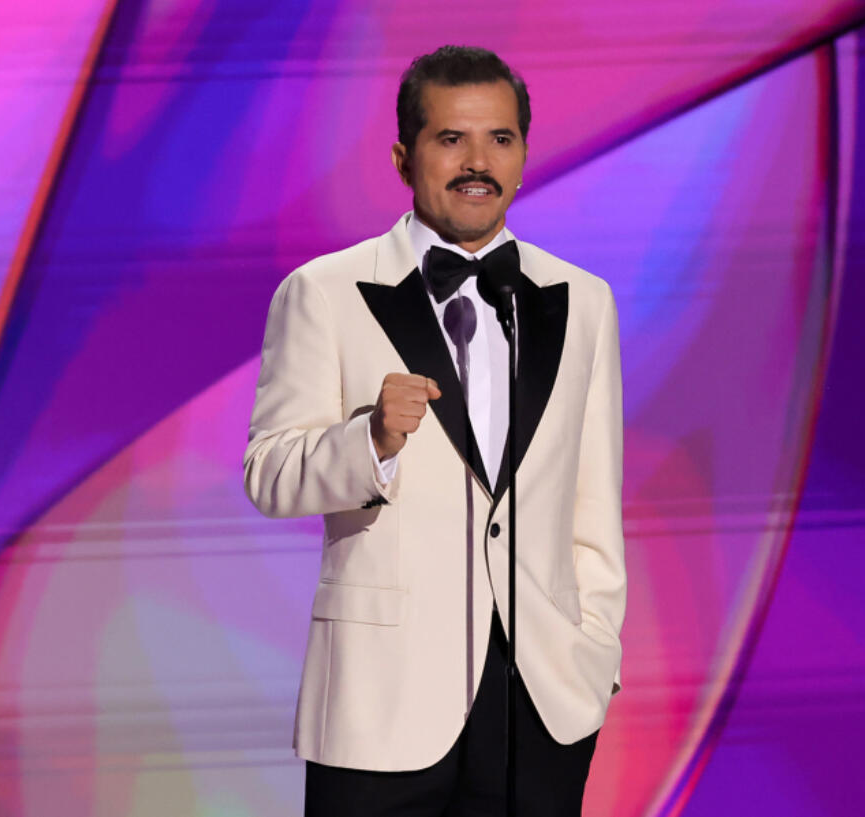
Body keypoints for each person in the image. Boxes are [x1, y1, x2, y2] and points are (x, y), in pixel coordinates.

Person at [244, 45, 625, 817]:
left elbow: (593, 505)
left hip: (539, 704)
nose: (478, 161)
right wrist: (370, 440)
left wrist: (594, 655)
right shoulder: (324, 292)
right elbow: (269, 472)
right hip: (381, 703)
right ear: (402, 155)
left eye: (501, 139)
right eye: (451, 139)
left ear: (523, 152)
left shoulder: (583, 301)